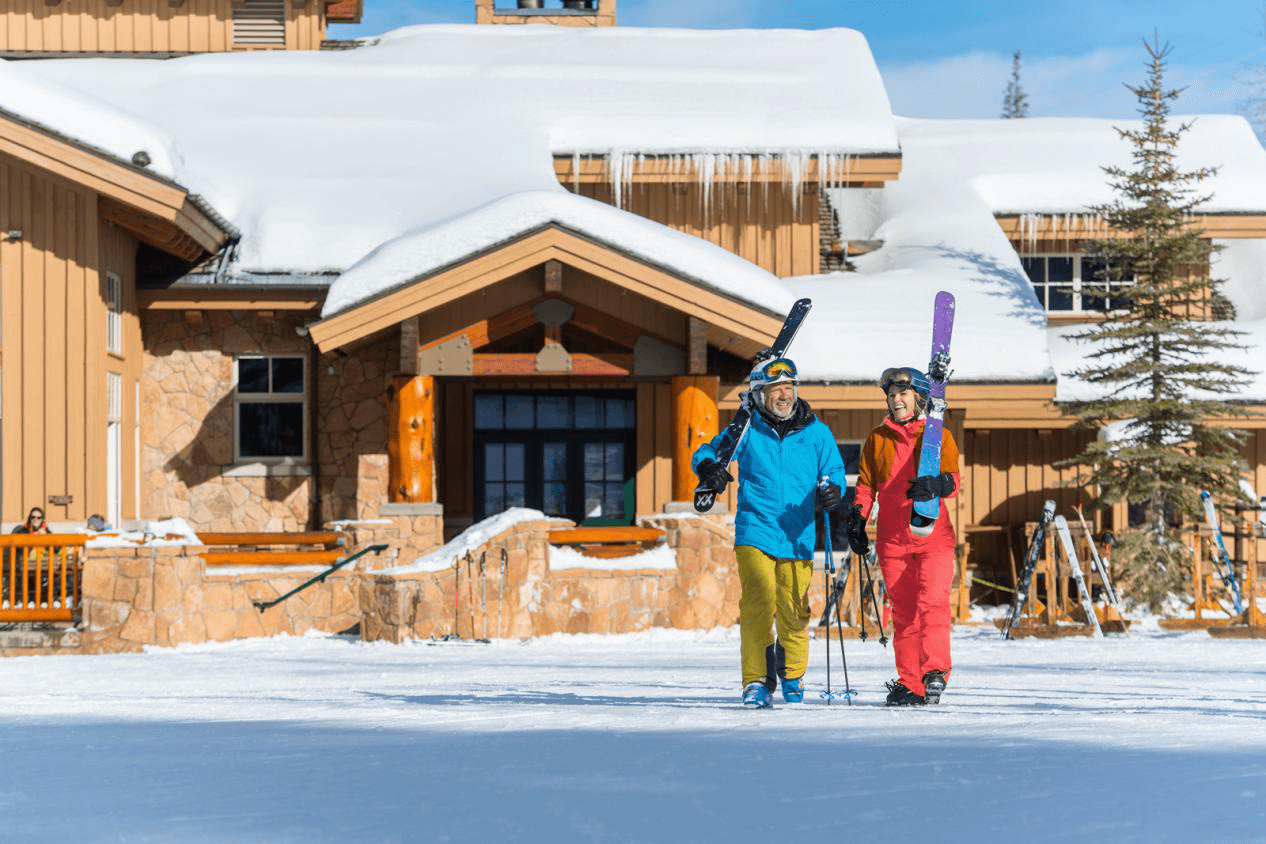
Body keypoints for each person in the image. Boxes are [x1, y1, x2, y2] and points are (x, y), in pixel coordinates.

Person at [693, 355, 846, 708]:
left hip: (798, 534)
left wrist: (833, 490)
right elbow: (707, 452)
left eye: (789, 387)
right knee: (759, 602)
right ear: (760, 394)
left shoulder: (817, 433)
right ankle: (757, 681)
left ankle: (792, 674)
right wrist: (709, 469)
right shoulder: (745, 431)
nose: (784, 394)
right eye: (777, 388)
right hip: (755, 530)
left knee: (794, 609)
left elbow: (835, 471)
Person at [843, 367, 960, 706]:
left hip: (933, 535)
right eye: (892, 394)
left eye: (903, 393)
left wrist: (936, 484)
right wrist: (857, 520)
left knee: (932, 604)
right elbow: (866, 485)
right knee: (903, 612)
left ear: (919, 398)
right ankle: (912, 683)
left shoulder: (937, 435)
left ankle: (935, 672)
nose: (896, 399)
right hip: (892, 539)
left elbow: (952, 479)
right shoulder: (877, 438)